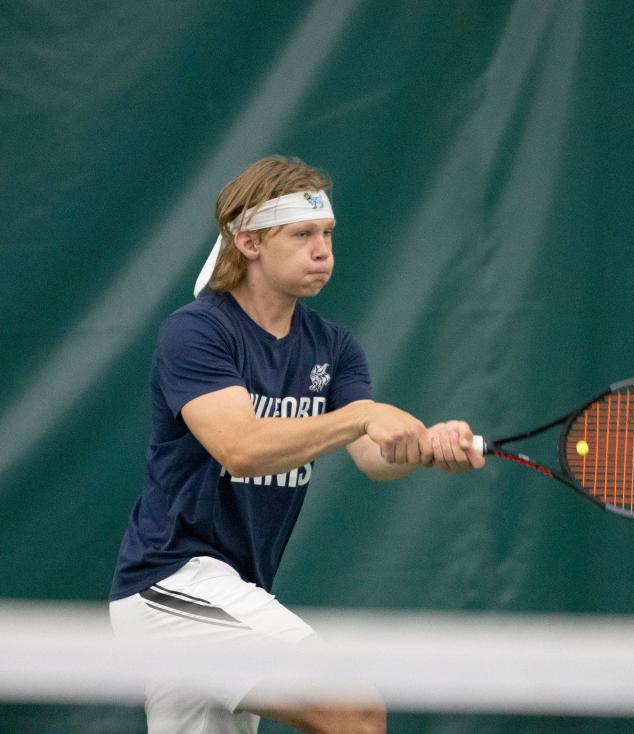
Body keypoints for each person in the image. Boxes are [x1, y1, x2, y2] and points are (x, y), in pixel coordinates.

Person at [109, 155, 484, 734]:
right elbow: (240, 446)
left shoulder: (334, 346)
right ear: (250, 242)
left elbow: (372, 457)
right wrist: (362, 418)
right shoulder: (197, 331)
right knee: (353, 709)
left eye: (328, 234)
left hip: (234, 588)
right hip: (173, 583)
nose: (323, 250)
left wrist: (425, 445)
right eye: (303, 234)